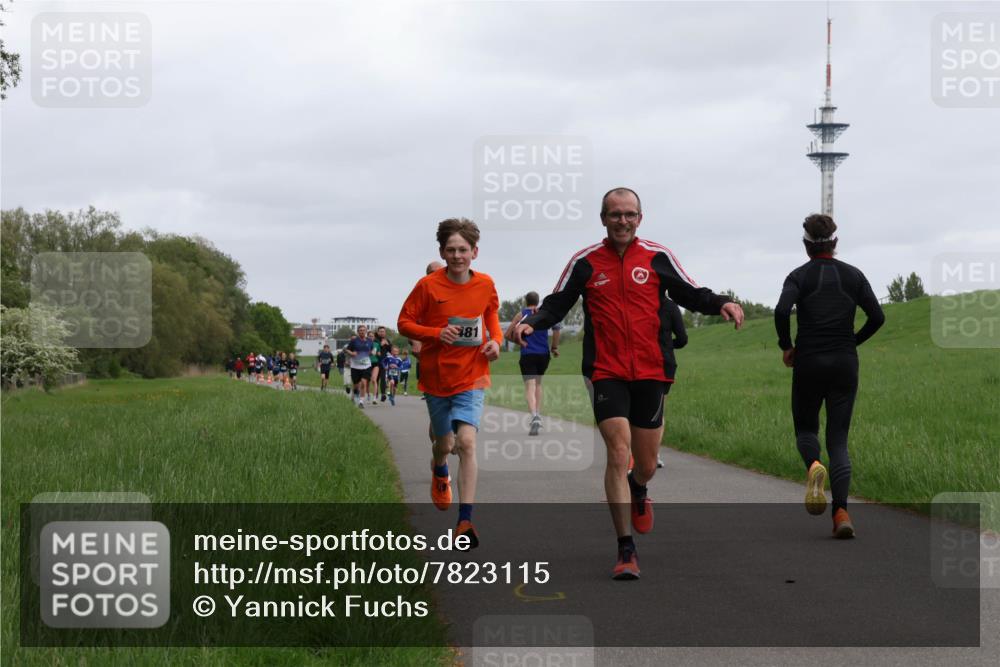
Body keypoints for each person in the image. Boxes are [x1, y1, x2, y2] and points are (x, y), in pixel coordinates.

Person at [512, 187, 745, 580]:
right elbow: (557, 302)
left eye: (630, 214)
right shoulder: (584, 262)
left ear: (640, 218)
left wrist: (721, 301)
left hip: (652, 370)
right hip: (606, 370)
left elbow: (690, 291)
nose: (623, 221)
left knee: (647, 464)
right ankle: (625, 549)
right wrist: (530, 322)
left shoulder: (656, 256)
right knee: (618, 454)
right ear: (603, 218)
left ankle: (640, 488)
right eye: (615, 214)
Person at [774, 214, 884, 539]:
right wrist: (852, 341)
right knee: (839, 439)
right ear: (834, 243)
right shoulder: (854, 275)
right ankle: (841, 513)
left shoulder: (798, 275)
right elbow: (877, 316)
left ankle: (813, 466)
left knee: (807, 428)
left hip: (808, 361)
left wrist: (786, 346)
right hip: (844, 363)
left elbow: (781, 311)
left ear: (806, 245)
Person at [399, 219, 502, 548]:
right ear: (442, 252)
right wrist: (435, 333)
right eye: (451, 250)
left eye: (463, 250)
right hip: (436, 377)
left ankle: (465, 520)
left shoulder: (485, 284)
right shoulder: (428, 286)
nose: (457, 256)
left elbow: (492, 319)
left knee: (467, 443)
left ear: (475, 252)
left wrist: (496, 342)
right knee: (445, 443)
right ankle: (439, 466)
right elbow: (404, 322)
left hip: (472, 374)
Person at [506, 291, 562, 436]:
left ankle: (534, 416)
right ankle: (538, 414)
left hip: (528, 353)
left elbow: (507, 334)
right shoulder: (543, 313)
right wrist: (554, 348)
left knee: (529, 386)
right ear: (537, 302)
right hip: (543, 354)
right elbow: (556, 330)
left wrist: (518, 340)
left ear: (526, 301)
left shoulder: (521, 314)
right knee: (538, 384)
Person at [346, 326, 374, 408]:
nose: (362, 332)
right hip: (355, 366)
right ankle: (355, 394)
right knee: (356, 385)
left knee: (363, 382)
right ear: (358, 332)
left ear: (366, 331)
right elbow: (347, 349)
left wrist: (372, 353)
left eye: (363, 330)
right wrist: (351, 353)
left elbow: (372, 350)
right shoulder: (354, 341)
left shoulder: (369, 341)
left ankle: (361, 401)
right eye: (360, 330)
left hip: (366, 366)